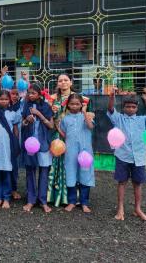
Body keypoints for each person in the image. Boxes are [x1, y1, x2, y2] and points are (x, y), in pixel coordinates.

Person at [107, 88, 146, 221]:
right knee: (122, 182)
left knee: (138, 184)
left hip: (139, 157)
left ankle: (137, 209)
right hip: (122, 155)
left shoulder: (143, 120)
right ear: (123, 107)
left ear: (137, 108)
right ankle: (120, 208)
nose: (131, 109)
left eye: (133, 107)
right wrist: (111, 96)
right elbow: (110, 109)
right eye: (128, 106)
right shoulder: (119, 119)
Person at [48, 73, 91, 207]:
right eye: (60, 80)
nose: (63, 82)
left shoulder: (82, 99)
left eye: (66, 80)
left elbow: (89, 117)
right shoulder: (51, 98)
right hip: (57, 135)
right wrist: (51, 110)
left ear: (71, 82)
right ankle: (59, 197)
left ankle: (77, 198)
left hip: (76, 137)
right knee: (59, 166)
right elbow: (47, 115)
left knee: (76, 167)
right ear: (57, 83)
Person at [21, 83, 54, 213]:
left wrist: (39, 115)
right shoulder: (26, 106)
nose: (30, 95)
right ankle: (30, 200)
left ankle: (43, 201)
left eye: (33, 93)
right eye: (29, 93)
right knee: (30, 172)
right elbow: (23, 124)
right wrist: (27, 120)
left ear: (39, 94)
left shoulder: (46, 106)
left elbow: (51, 125)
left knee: (44, 172)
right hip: (29, 144)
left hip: (44, 144)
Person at [59, 94, 95, 213]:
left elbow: (90, 127)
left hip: (85, 151)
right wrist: (57, 127)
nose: (74, 106)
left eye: (77, 104)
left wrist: (84, 113)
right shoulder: (65, 119)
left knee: (85, 174)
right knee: (71, 173)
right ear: (68, 105)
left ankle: (84, 202)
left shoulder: (87, 116)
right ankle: (72, 202)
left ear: (82, 105)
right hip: (71, 151)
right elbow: (65, 135)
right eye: (72, 104)